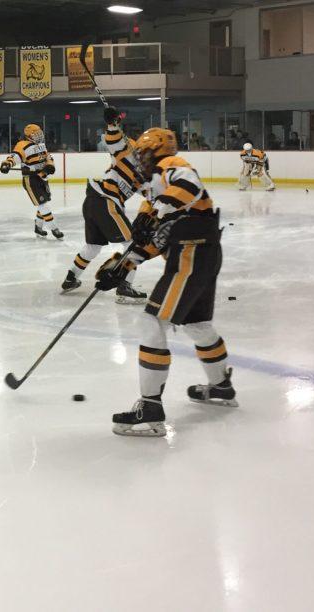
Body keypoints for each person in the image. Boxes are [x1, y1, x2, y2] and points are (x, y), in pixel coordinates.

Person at [91, 127, 235, 437]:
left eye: (142, 154)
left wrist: (156, 211)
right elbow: (154, 239)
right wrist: (122, 267)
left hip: (192, 253)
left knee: (151, 323)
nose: (139, 160)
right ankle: (221, 386)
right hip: (199, 253)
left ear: (156, 151)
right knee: (198, 325)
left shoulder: (171, 166)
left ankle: (150, 409)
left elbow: (189, 187)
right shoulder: (151, 192)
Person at [59, 108, 148, 304]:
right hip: (106, 201)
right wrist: (112, 124)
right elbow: (113, 142)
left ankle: (71, 277)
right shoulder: (128, 152)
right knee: (133, 244)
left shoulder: (144, 175)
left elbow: (152, 194)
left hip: (92, 202)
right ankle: (124, 286)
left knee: (93, 246)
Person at [0, 122, 63, 240]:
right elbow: (14, 157)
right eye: (36, 134)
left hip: (42, 177)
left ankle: (38, 227)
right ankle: (54, 228)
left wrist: (50, 166)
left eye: (39, 133)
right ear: (28, 135)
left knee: (43, 203)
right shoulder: (22, 145)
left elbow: (48, 157)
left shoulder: (42, 145)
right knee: (43, 204)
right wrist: (6, 164)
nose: (39, 136)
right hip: (31, 180)